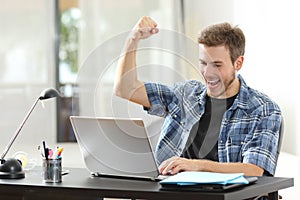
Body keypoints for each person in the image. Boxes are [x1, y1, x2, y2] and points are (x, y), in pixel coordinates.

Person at [114, 16, 282, 177]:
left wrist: (196, 165)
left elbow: (254, 170)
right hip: (169, 192)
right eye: (203, 63)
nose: (208, 73)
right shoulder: (184, 95)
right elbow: (125, 88)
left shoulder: (262, 109)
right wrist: (132, 39)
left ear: (238, 63)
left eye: (217, 65)